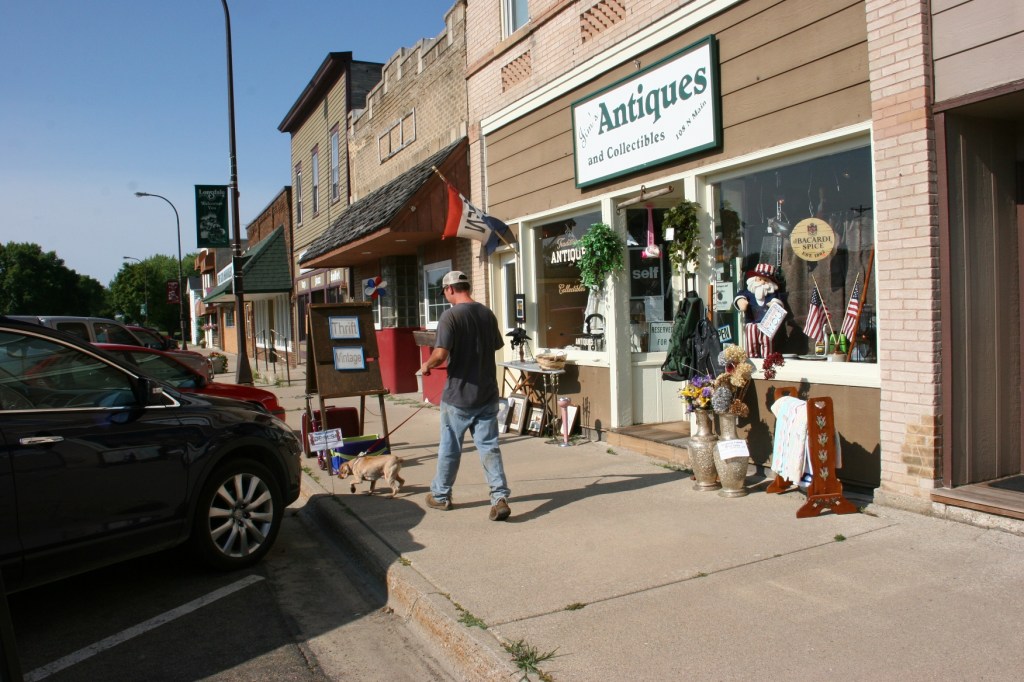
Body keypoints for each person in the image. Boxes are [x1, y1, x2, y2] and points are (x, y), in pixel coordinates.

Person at [419, 270, 511, 521]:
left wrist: (426, 366)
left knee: (450, 447)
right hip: (487, 393)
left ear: (450, 289)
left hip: (458, 397)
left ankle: (440, 496)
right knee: (489, 447)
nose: (446, 296)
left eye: (445, 292)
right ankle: (499, 496)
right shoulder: (487, 314)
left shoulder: (450, 316)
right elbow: (492, 347)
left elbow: (440, 354)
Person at [733, 263, 783, 358]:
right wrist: (741, 302)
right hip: (752, 323)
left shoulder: (772, 294)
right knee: (752, 341)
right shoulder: (748, 293)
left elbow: (778, 304)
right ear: (754, 279)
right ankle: (753, 358)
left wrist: (774, 304)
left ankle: (768, 360)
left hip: (767, 324)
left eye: (765, 280)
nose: (762, 282)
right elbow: (739, 296)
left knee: (767, 342)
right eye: (760, 279)